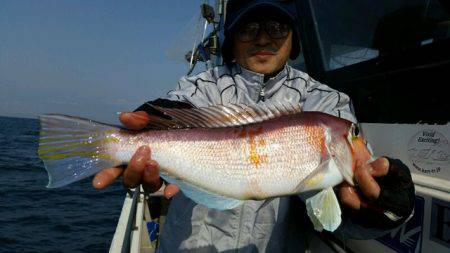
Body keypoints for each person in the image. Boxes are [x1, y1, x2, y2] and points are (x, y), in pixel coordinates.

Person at [92, 0, 415, 252]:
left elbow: (336, 220)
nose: (263, 37)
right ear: (232, 38)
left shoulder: (327, 103)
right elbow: (174, 113)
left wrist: (380, 210)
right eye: (247, 28)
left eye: (276, 26)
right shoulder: (199, 87)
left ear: (293, 37)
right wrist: (149, 125)